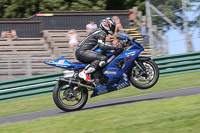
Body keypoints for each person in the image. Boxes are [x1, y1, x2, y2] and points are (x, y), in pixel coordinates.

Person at [75, 17, 122, 82]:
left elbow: (100, 44)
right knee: (102, 58)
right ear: (107, 25)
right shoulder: (102, 33)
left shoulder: (98, 31)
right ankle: (84, 73)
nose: (112, 28)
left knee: (102, 55)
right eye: (112, 26)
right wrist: (114, 47)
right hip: (83, 52)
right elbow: (102, 46)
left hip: (81, 51)